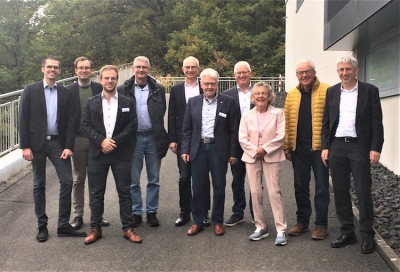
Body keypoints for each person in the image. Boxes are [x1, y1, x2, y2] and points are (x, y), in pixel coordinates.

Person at [19, 56, 86, 242]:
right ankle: (42, 226)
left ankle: (63, 225)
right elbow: (23, 118)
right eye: (49, 67)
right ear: (43, 69)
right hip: (37, 145)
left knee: (67, 181)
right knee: (39, 185)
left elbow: (72, 122)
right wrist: (25, 145)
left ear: (59, 71)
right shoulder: (30, 90)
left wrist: (68, 146)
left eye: (55, 68)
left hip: (58, 144)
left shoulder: (66, 93)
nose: (52, 70)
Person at [321, 55, 384, 254]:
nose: (344, 73)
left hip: (360, 147)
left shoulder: (369, 91)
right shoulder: (332, 92)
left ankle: (367, 234)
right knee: (340, 190)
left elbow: (376, 121)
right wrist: (325, 146)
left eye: (348, 69)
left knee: (363, 190)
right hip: (337, 146)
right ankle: (348, 231)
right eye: (341, 70)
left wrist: (375, 148)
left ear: (355, 70)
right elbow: (326, 121)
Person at [81, 65, 142, 245]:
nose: (109, 81)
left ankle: (128, 228)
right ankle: (95, 228)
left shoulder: (127, 102)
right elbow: (85, 125)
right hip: (98, 153)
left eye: (113, 78)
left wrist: (113, 142)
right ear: (100, 80)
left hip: (120, 153)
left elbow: (132, 125)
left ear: (117, 80)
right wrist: (101, 141)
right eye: (106, 78)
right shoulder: (91, 102)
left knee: (125, 192)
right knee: (96, 193)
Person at [181, 68, 238, 237]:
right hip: (198, 148)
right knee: (198, 187)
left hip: (218, 149)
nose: (209, 86)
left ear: (217, 84)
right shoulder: (193, 102)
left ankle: (218, 221)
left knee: (219, 186)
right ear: (201, 84)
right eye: (206, 83)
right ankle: (197, 221)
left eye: (212, 83)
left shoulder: (228, 102)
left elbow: (234, 130)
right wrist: (185, 149)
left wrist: (233, 152)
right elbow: (187, 129)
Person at [118, 56, 169, 227]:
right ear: (132, 69)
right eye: (138, 67)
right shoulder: (123, 89)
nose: (141, 70)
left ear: (149, 69)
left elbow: (161, 111)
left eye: (144, 67)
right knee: (134, 179)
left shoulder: (158, 89)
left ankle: (152, 211)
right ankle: (136, 211)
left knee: (153, 178)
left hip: (153, 137)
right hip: (134, 139)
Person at [283, 59, 330, 240]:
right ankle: (302, 222)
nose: (304, 75)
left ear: (314, 72)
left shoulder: (327, 90)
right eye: (300, 73)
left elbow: (332, 120)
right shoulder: (292, 94)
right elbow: (286, 122)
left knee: (321, 187)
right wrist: (286, 146)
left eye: (307, 71)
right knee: (300, 187)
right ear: (297, 75)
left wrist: (328, 146)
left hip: (319, 148)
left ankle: (321, 225)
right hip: (298, 148)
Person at [239, 82, 288, 246]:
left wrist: (264, 149)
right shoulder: (246, 115)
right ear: (253, 97)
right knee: (255, 192)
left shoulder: (278, 113)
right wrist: (255, 150)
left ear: (269, 96)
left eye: (264, 93)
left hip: (271, 156)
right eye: (257, 94)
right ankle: (260, 227)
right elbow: (242, 138)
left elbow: (280, 136)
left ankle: (281, 229)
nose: (260, 96)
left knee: (274, 192)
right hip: (252, 157)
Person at [66, 56, 109, 230]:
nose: (84, 71)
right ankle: (78, 215)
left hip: (96, 140)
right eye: (80, 68)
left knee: (96, 179)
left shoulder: (100, 88)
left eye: (87, 68)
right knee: (78, 179)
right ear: (75, 70)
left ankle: (97, 214)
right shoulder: (68, 91)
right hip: (77, 140)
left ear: (92, 70)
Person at [168, 56, 211, 227]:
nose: (190, 70)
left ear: (198, 69)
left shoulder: (205, 87)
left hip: (203, 139)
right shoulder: (176, 90)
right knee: (184, 177)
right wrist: (172, 139)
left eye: (194, 67)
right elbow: (172, 115)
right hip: (182, 139)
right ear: (183, 69)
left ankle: (203, 211)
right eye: (187, 67)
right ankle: (184, 211)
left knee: (202, 178)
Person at [223, 61, 254, 226]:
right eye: (238, 73)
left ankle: (256, 213)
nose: (242, 75)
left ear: (250, 73)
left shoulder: (259, 92)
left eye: (245, 72)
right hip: (235, 144)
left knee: (256, 181)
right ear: (234, 75)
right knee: (237, 179)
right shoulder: (227, 95)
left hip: (255, 144)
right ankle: (238, 212)